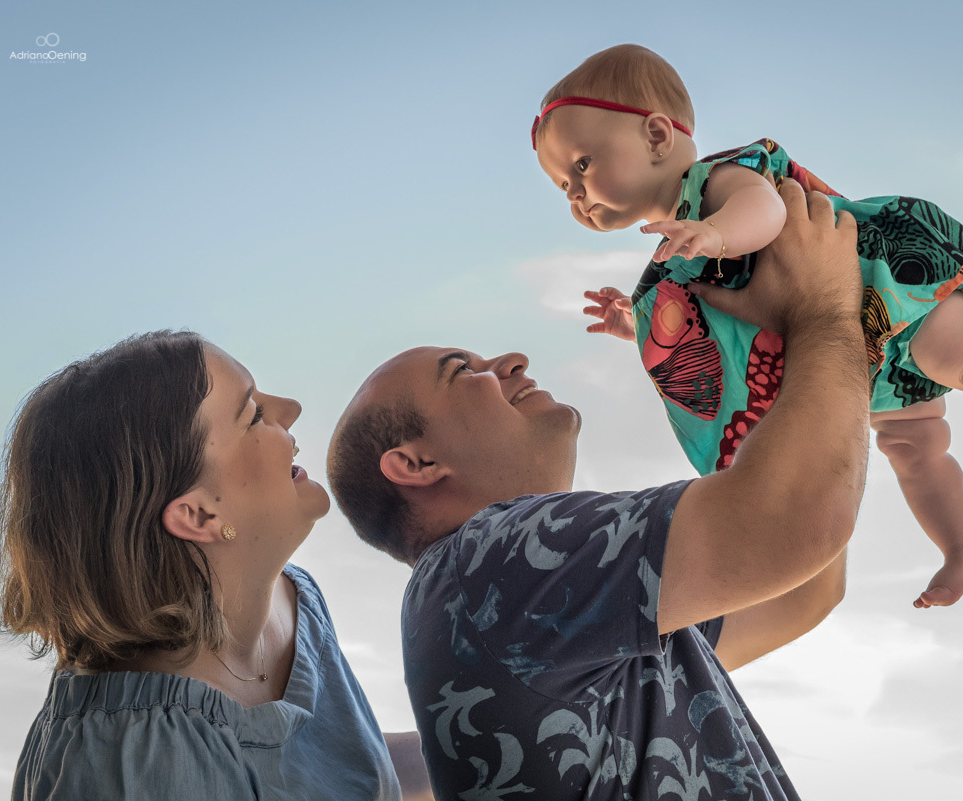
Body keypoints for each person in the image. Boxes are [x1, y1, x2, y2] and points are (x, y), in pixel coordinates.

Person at [532, 44, 963, 609]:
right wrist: (634, 328)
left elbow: (764, 212)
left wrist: (716, 232)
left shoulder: (715, 182)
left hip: (889, 284)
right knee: (912, 449)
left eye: (582, 165)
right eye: (562, 186)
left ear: (658, 135)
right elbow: (712, 329)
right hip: (854, 351)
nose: (575, 194)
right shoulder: (673, 262)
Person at [327, 180, 869, 800]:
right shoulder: (485, 564)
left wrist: (768, 368)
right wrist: (826, 313)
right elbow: (794, 522)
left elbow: (800, 588)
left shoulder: (537, 603)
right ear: (417, 464)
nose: (510, 361)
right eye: (462, 371)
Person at [0, 331, 432, 801]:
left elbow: (342, 771)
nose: (291, 407)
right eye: (254, 413)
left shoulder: (285, 594)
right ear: (199, 515)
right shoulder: (140, 768)